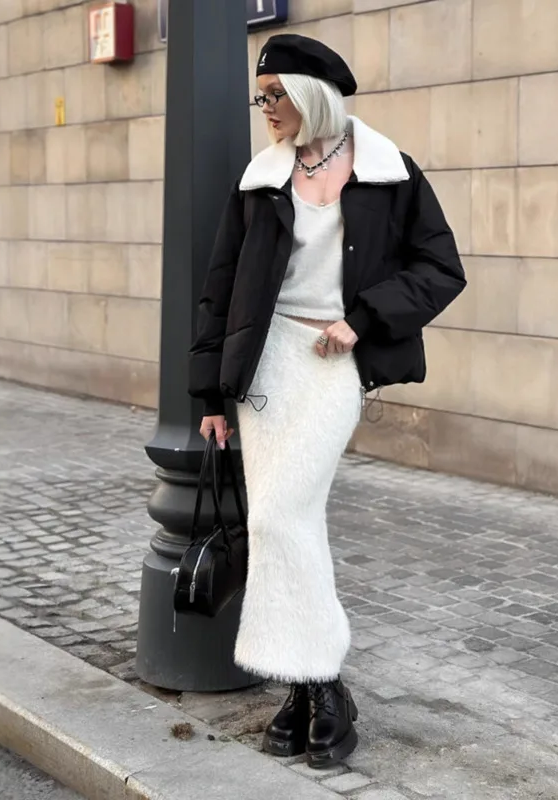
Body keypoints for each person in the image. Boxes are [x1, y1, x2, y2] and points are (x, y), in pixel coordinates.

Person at [188, 34, 466, 768]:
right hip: (265, 366)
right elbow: (221, 287)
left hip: (331, 365)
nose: (265, 109)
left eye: (274, 94)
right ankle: (313, 691)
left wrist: (365, 316)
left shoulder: (387, 170)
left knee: (283, 514)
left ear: (311, 94)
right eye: (261, 95)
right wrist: (210, 391)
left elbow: (442, 267)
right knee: (287, 519)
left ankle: (321, 683)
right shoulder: (261, 178)